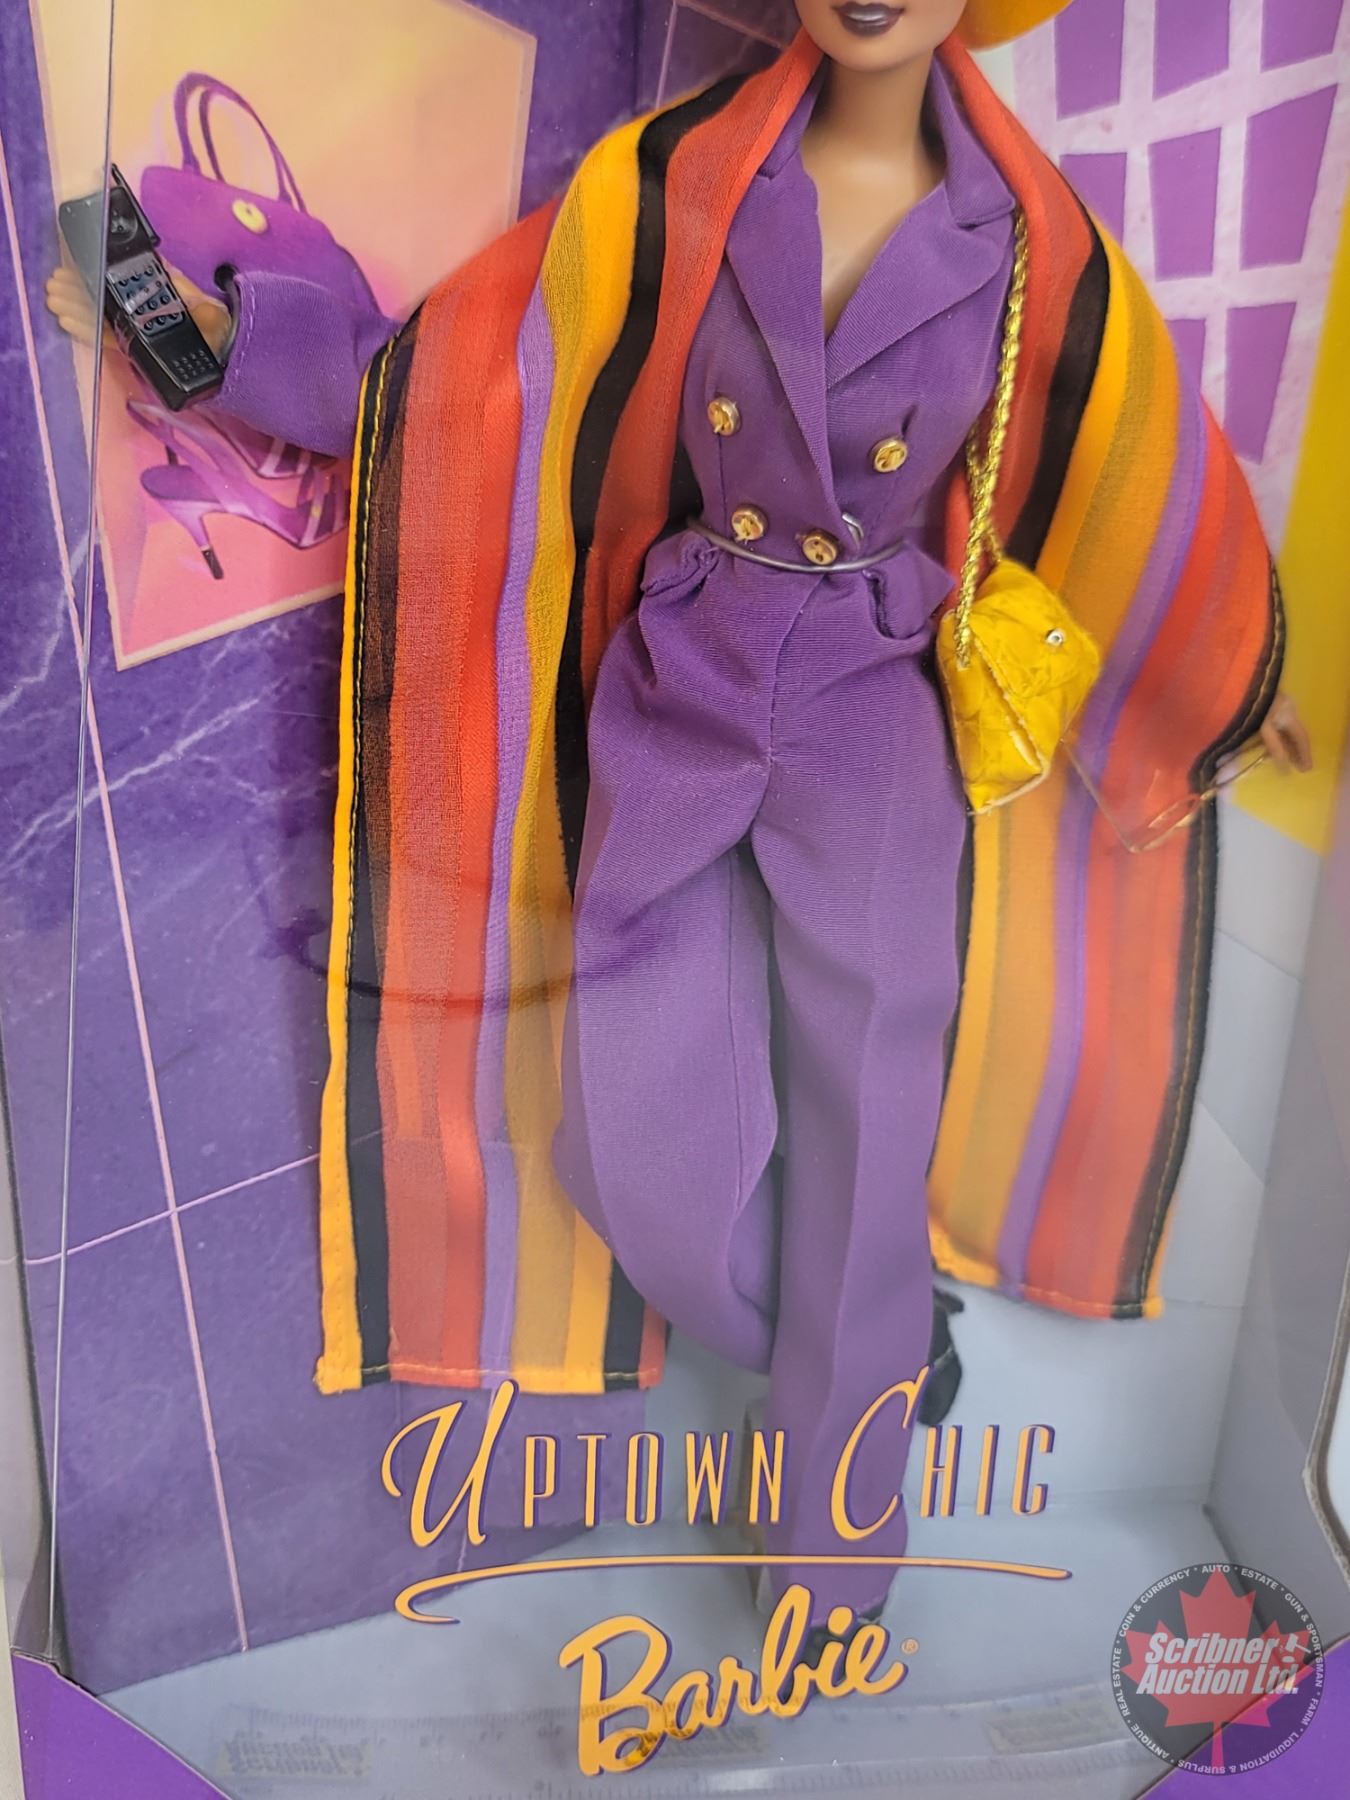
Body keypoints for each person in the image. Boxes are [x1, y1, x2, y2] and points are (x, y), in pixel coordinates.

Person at [48, 0, 1312, 1660]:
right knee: (628, 1152)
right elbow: (468, 383)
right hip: (681, 688)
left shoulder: (1032, 240)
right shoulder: (665, 186)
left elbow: (1124, 470)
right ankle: (866, 1331)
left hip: (876, 716)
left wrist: (1220, 677)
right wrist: (213, 346)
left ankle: (832, 1581)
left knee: (867, 1133)